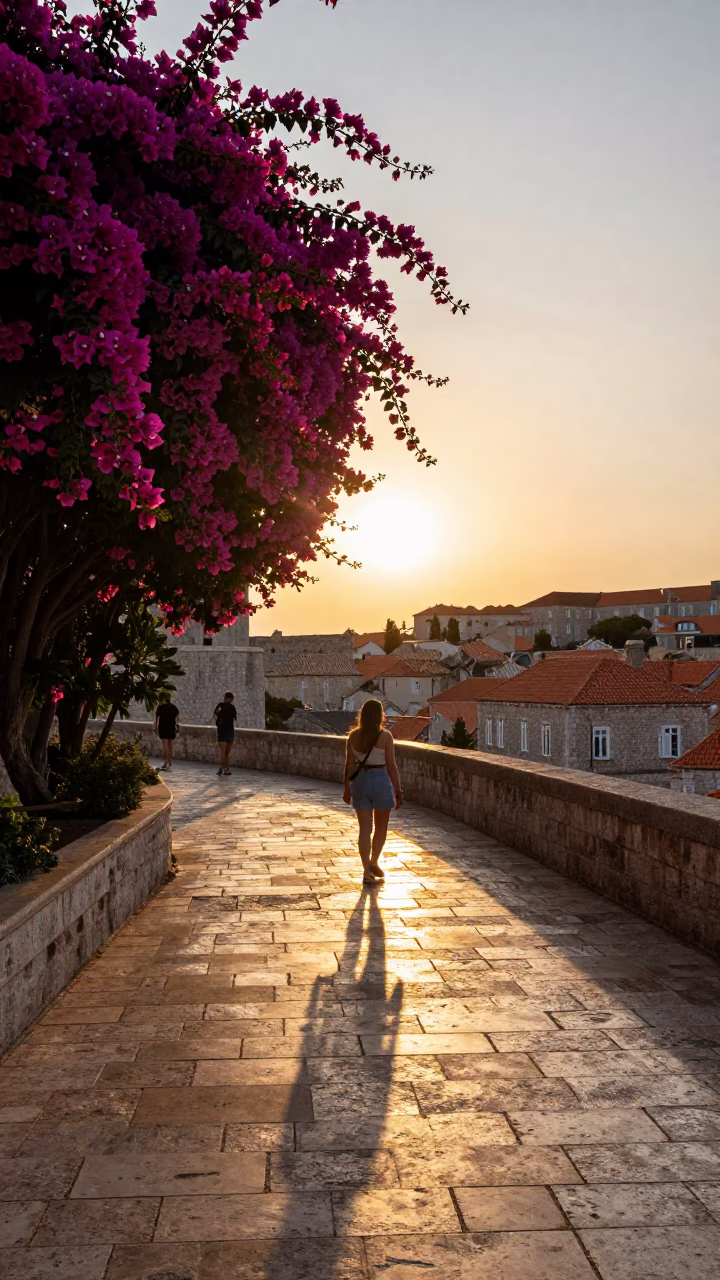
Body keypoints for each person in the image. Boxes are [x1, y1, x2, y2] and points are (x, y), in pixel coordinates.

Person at [343, 698, 403, 885]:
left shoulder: (353, 736)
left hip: (360, 782)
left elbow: (349, 766)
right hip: (380, 780)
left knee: (364, 829)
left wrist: (346, 788)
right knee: (381, 827)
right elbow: (391, 766)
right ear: (380, 715)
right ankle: (374, 861)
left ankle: (366, 871)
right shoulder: (385, 737)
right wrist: (398, 790)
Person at [213, 691, 237, 776]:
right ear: (230, 699)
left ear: (225, 697)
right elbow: (234, 718)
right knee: (227, 753)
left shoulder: (220, 706)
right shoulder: (232, 707)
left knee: (223, 751)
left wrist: (217, 722)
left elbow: (215, 715)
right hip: (230, 731)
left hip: (222, 730)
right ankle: (226, 769)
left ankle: (223, 768)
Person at [154, 694, 180, 771]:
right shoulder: (174, 707)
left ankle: (165, 762)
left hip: (163, 728)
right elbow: (178, 718)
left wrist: (154, 728)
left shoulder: (160, 707)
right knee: (171, 746)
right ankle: (170, 762)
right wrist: (178, 727)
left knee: (165, 746)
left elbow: (156, 719)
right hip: (171, 728)